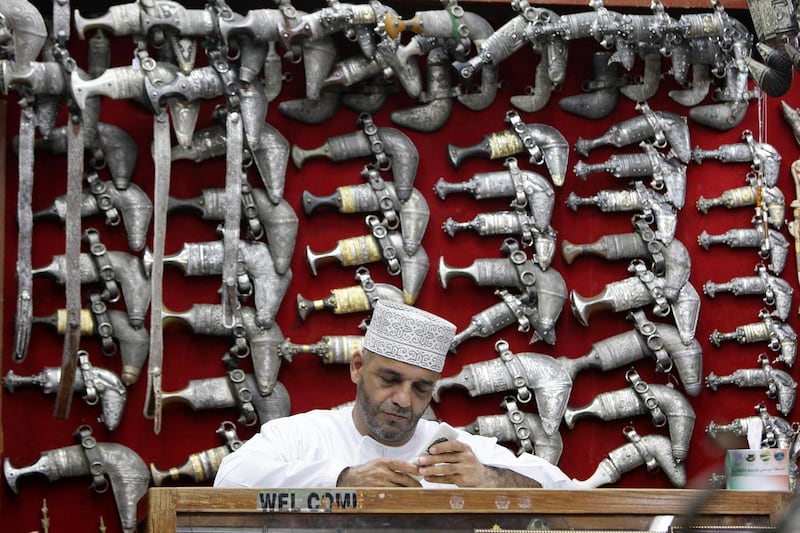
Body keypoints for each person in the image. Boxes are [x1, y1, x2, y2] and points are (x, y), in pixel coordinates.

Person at [214, 300, 575, 489]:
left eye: (421, 388)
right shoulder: (300, 435)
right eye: (390, 379)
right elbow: (230, 480)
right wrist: (342, 480)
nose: (404, 400)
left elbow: (562, 491)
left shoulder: (453, 452)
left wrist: (487, 479)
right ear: (357, 367)